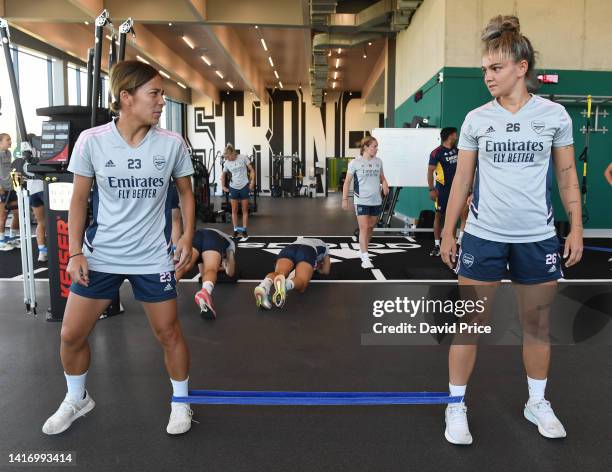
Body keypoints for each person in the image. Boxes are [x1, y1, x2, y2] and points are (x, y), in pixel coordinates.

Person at [439, 15, 583, 446]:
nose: (487, 76)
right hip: (483, 235)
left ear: (522, 67)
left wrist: (575, 227)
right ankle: (456, 405)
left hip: (537, 237)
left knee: (537, 325)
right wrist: (448, 231)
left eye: (495, 68)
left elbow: (567, 175)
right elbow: (461, 182)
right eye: (484, 69)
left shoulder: (554, 115)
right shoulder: (475, 120)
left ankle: (536, 401)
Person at [41, 60, 196, 436]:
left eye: (162, 94)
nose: (161, 101)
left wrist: (187, 237)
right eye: (154, 93)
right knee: (70, 335)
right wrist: (75, 252)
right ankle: (77, 398)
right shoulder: (92, 141)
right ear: (126, 97)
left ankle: (181, 403)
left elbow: (186, 193)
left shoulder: (172, 143)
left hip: (152, 256)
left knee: (169, 333)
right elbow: (78, 200)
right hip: (101, 255)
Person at [342, 136, 389, 269]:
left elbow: (382, 177)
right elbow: (347, 182)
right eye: (374, 146)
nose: (376, 149)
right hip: (361, 200)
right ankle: (365, 257)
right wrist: (345, 199)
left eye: (377, 146)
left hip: (376, 200)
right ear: (366, 147)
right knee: (363, 228)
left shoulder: (378, 162)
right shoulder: (354, 163)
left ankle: (363, 249)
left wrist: (385, 183)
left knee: (370, 227)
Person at [175, 227, 236, 320]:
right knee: (211, 269)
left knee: (183, 266)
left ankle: (165, 290)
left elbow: (202, 273)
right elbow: (230, 272)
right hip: (213, 237)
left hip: (196, 235)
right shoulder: (231, 244)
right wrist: (223, 265)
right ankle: (205, 292)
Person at [254, 237, 331, 309]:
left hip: (290, 248)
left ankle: (264, 286)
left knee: (279, 273)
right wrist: (317, 268)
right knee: (302, 283)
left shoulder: (301, 240)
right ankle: (285, 286)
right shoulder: (325, 247)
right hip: (307, 251)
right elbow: (326, 271)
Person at [427, 127, 469, 256]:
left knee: (463, 214)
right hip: (442, 190)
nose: (456, 137)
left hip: (459, 188)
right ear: (449, 136)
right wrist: (431, 189)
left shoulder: (458, 150)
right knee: (439, 216)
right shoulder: (436, 153)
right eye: (455, 135)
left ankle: (458, 243)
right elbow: (430, 172)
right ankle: (437, 245)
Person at [221, 144, 255, 238]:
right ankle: (235, 229)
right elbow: (223, 175)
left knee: (244, 210)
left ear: (233, 153)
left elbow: (252, 170)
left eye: (229, 157)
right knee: (234, 210)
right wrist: (223, 186)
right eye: (226, 158)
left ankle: (244, 229)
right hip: (233, 187)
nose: (228, 159)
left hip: (244, 186)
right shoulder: (227, 163)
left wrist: (252, 182)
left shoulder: (243, 157)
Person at [0, 133, 19, 251]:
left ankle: (12, 238)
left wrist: (16, 185)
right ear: (0, 142)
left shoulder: (8, 153)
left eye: (10, 139)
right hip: (2, 189)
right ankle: (1, 241)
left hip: (11, 188)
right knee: (2, 216)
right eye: (8, 140)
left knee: (17, 213)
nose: (10, 141)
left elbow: (10, 170)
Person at [28, 177, 48, 261]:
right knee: (57, 220)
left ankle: (42, 253)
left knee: (41, 223)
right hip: (45, 187)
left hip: (32, 190)